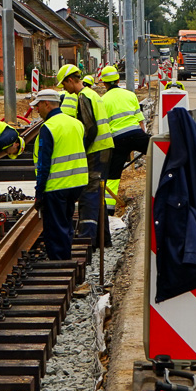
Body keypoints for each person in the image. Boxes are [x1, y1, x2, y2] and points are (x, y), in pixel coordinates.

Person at [30, 88, 88, 260]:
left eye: (38, 105)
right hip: (77, 183)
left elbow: (43, 164)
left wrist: (39, 192)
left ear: (46, 104)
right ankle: (66, 254)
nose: (36, 109)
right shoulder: (76, 123)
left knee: (55, 227)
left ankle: (60, 261)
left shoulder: (49, 127)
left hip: (56, 186)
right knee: (66, 221)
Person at [55, 64, 111, 238]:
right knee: (98, 191)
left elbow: (91, 128)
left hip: (97, 150)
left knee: (89, 192)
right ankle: (104, 236)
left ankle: (88, 235)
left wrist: (82, 149)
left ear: (71, 80)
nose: (64, 89)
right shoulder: (91, 94)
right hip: (104, 148)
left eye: (64, 84)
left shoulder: (83, 97)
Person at [97, 64, 148, 215]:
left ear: (104, 83)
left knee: (113, 176)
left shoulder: (102, 100)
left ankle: (109, 211)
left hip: (117, 140)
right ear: (118, 79)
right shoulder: (130, 95)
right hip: (135, 134)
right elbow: (140, 122)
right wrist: (143, 140)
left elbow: (103, 127)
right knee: (158, 151)